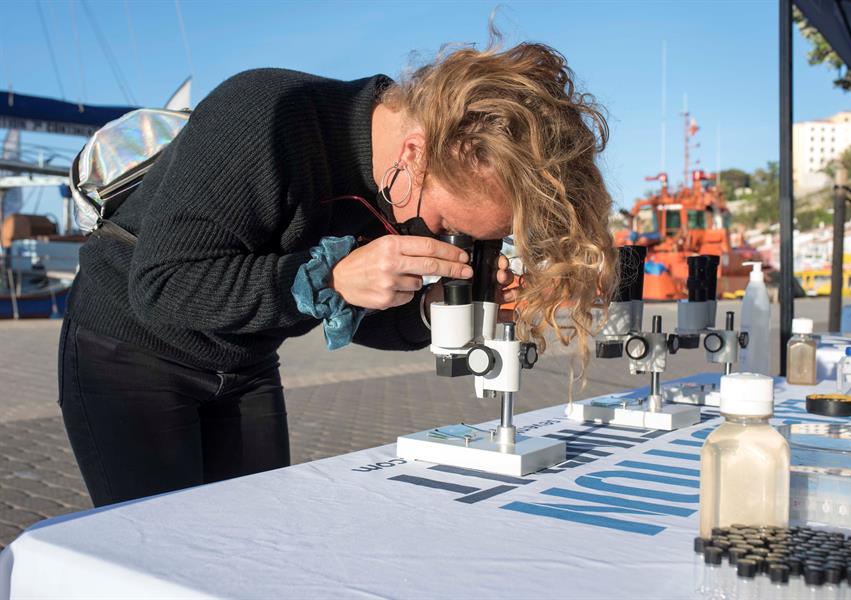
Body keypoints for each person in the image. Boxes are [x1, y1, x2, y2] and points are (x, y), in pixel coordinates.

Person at [58, 38, 617, 507]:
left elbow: (365, 316)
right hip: (129, 354)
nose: (449, 242)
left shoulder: (403, 184)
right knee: (155, 555)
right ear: (416, 153)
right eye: (449, 224)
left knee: (253, 549)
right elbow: (162, 286)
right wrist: (328, 278)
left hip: (244, 363)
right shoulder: (262, 116)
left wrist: (429, 309)